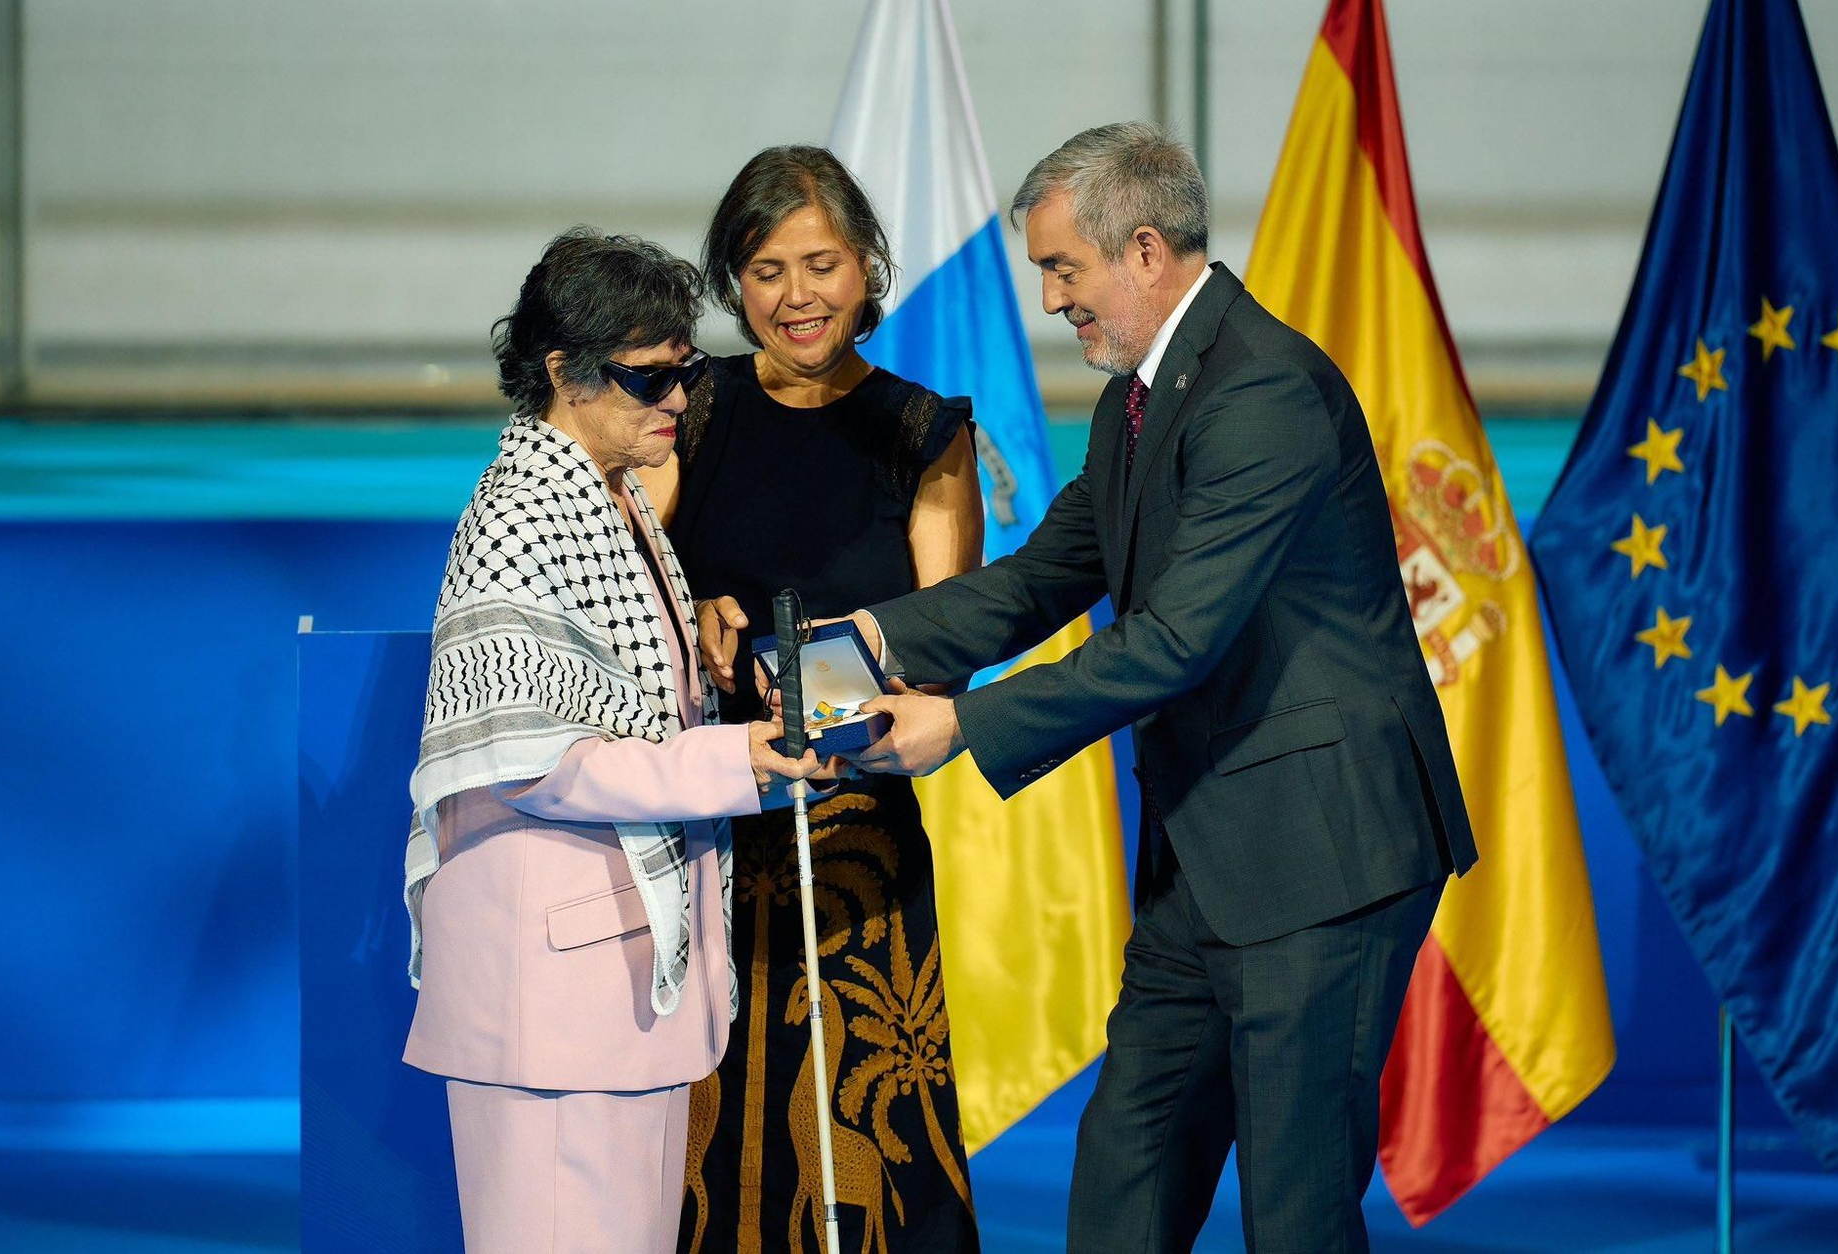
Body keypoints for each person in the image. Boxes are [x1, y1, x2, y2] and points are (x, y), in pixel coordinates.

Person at [846, 123, 1479, 1253]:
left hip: (1322, 853)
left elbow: (1174, 640)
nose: (1050, 300)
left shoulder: (1265, 390)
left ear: (1143, 250)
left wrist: (964, 723)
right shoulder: (1133, 400)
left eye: (1062, 269)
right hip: (1208, 857)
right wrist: (866, 639)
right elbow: (1045, 576)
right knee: (1126, 1171)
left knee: (1293, 1207)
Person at [401, 228, 837, 1254]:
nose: (677, 399)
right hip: (549, 1006)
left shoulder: (620, 496)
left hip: (614, 992)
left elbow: (627, 700)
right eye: (648, 377)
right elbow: (541, 761)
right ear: (564, 372)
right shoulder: (518, 518)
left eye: (686, 371)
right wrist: (739, 761)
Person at [636, 145, 985, 1254]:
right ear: (733, 284)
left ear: (866, 263)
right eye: (766, 270)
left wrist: (832, 687)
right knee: (696, 1149)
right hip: (702, 832)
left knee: (864, 1144)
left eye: (820, 263)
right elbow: (625, 597)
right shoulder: (689, 411)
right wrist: (691, 617)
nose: (797, 295)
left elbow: (946, 649)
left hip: (854, 844)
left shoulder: (924, 432)